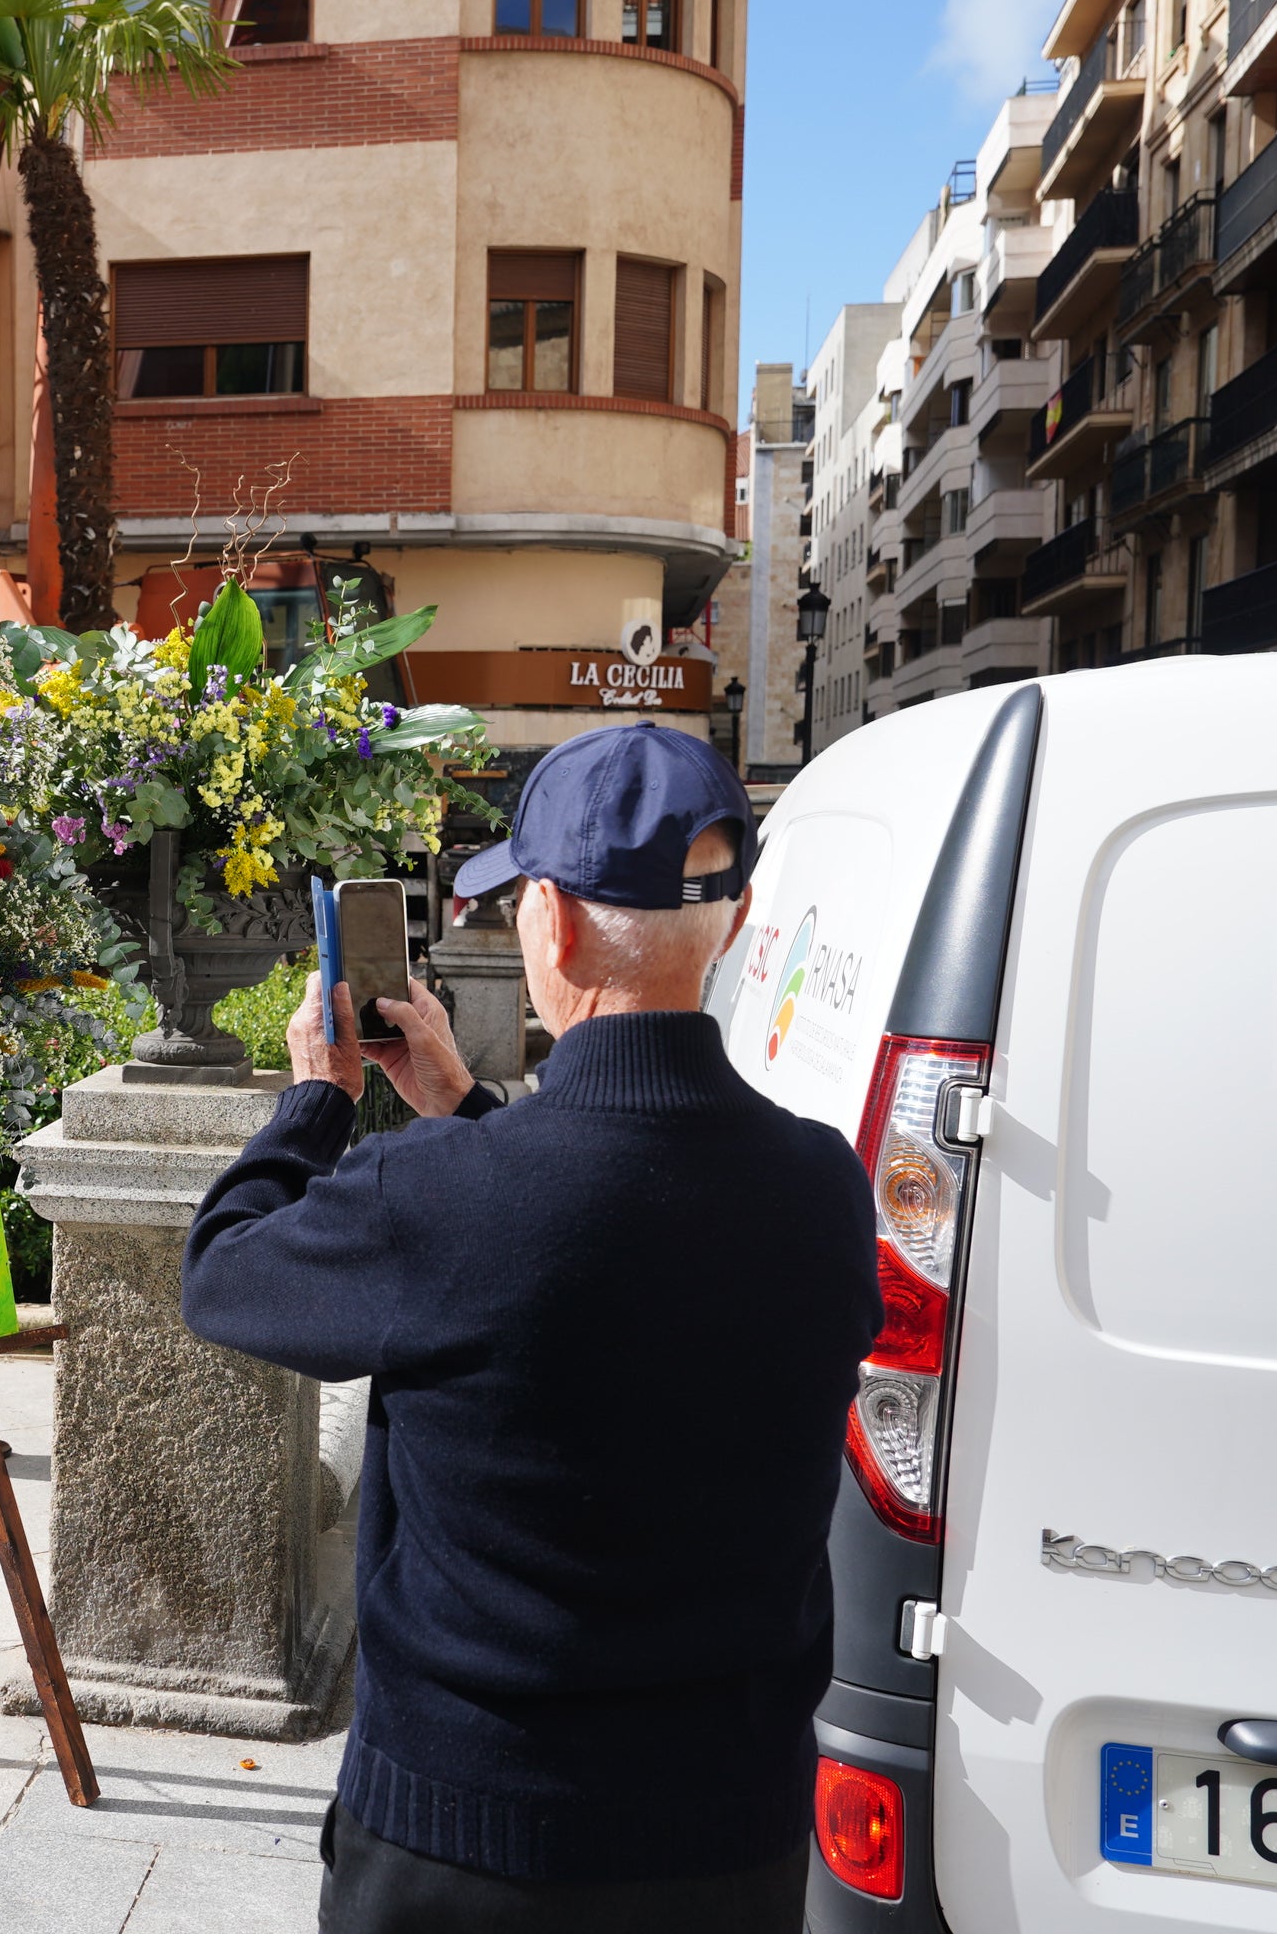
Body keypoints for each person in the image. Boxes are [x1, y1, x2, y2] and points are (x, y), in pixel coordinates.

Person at [182, 724, 880, 1934]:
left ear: (548, 924)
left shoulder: (447, 1198)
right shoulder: (823, 1185)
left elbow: (224, 1272)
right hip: (732, 1841)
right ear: (741, 915)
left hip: (467, 1838)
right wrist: (468, 1108)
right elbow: (620, 1238)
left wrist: (316, 1102)